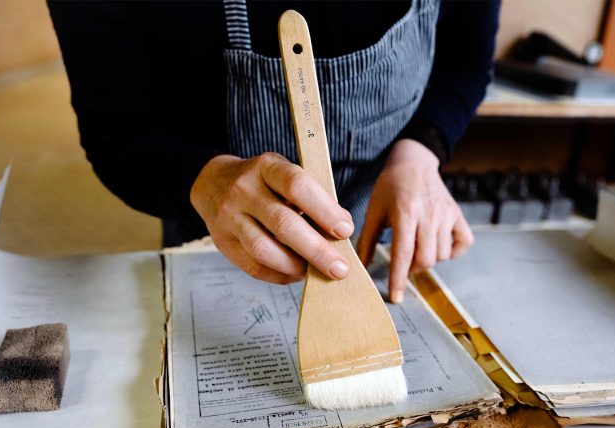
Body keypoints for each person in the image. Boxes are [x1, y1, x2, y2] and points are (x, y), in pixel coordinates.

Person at [48, 0, 500, 303]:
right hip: (217, 240)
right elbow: (117, 131)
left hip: (385, 234)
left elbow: (466, 63)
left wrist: (422, 149)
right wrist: (205, 180)